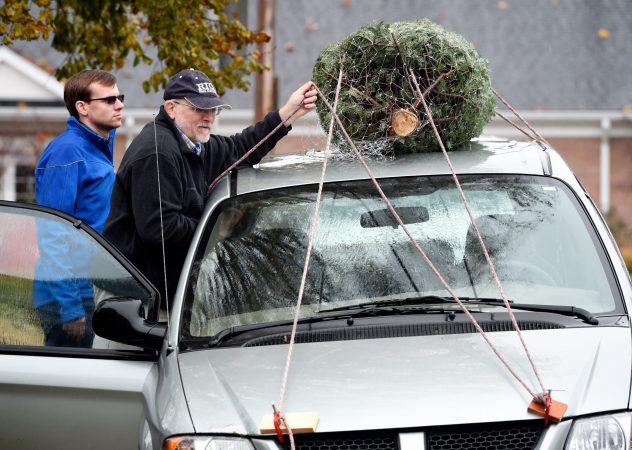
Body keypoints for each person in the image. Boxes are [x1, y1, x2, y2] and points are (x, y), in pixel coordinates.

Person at [104, 68, 317, 309]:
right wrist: (218, 228)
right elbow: (161, 229)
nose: (209, 117)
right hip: (133, 303)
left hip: (160, 296)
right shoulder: (158, 152)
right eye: (199, 109)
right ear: (171, 109)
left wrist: (287, 114)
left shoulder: (195, 145)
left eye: (212, 109)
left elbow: (241, 148)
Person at [33, 69, 124, 347]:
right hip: (70, 295)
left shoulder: (96, 147)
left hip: (91, 287)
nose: (119, 105)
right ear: (82, 107)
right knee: (66, 386)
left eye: (119, 97)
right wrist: (70, 307)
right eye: (109, 100)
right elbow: (53, 231)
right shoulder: (68, 152)